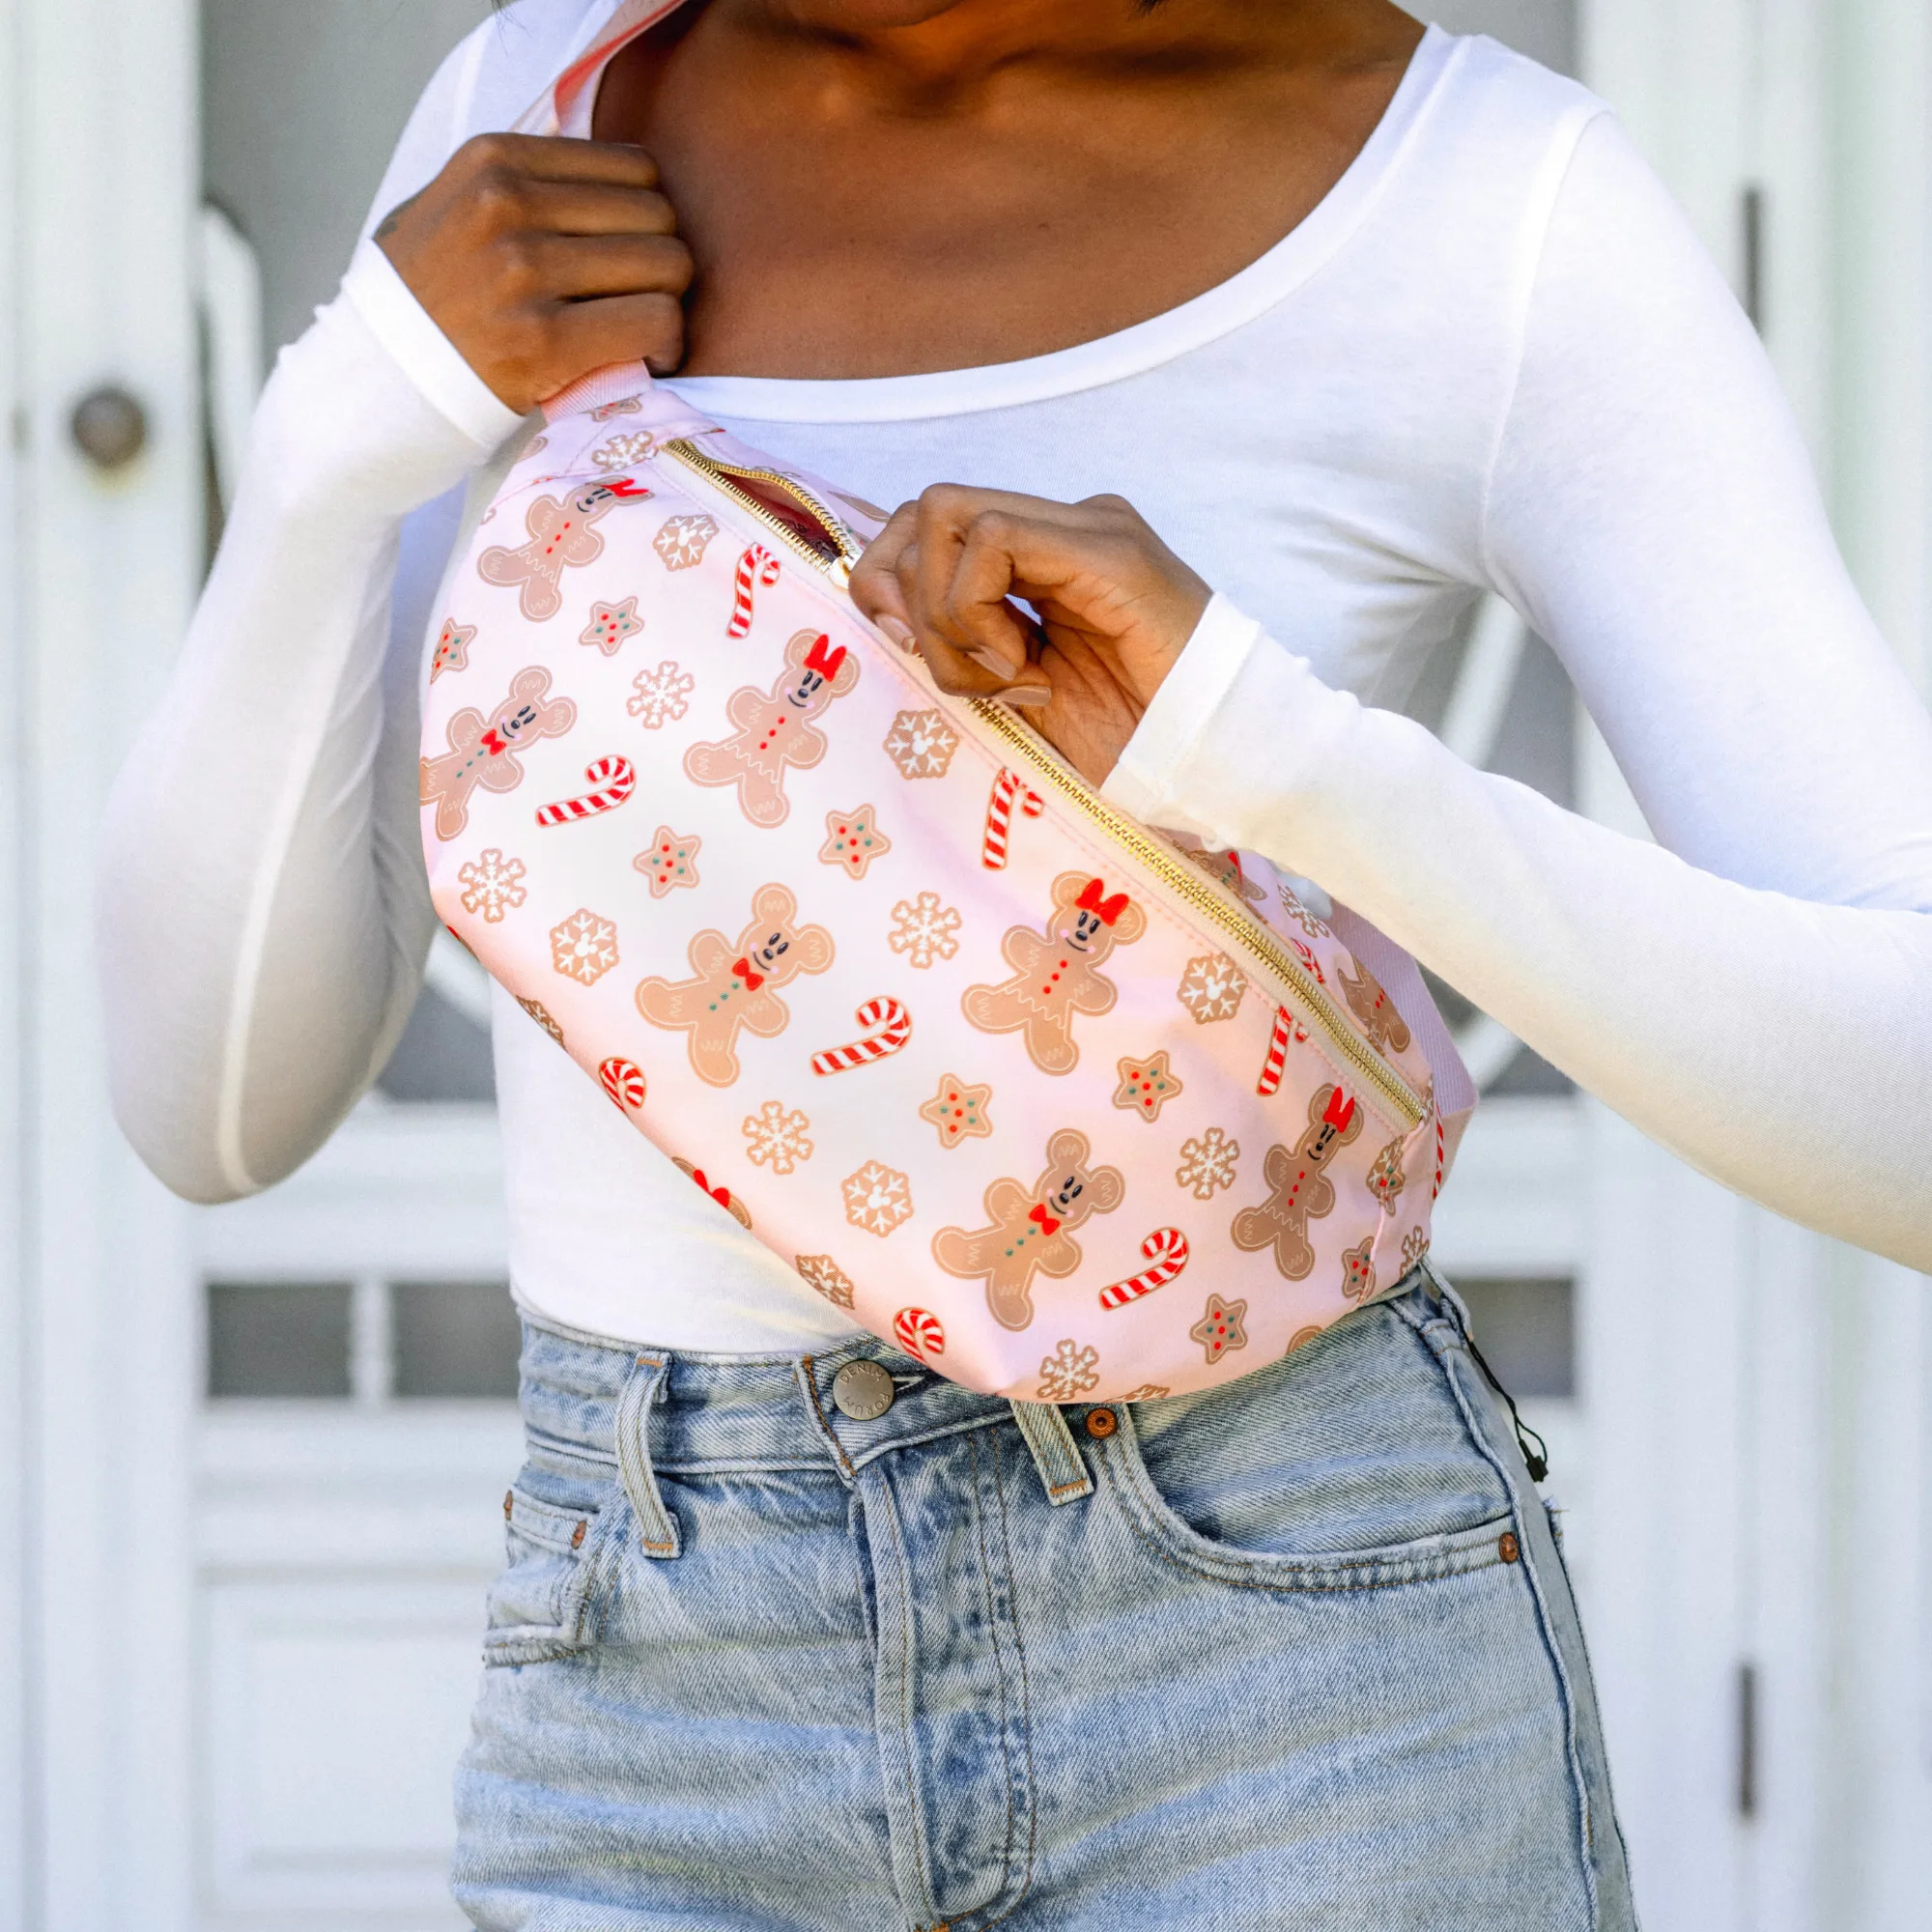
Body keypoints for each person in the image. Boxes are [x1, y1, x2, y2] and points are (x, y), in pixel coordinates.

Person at [100, 0, 1932, 1924]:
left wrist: (1266, 751)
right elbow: (209, 1112)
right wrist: (335, 435)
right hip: (654, 1686)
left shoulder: (1486, 199)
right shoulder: (538, 112)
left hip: (1292, 1663)